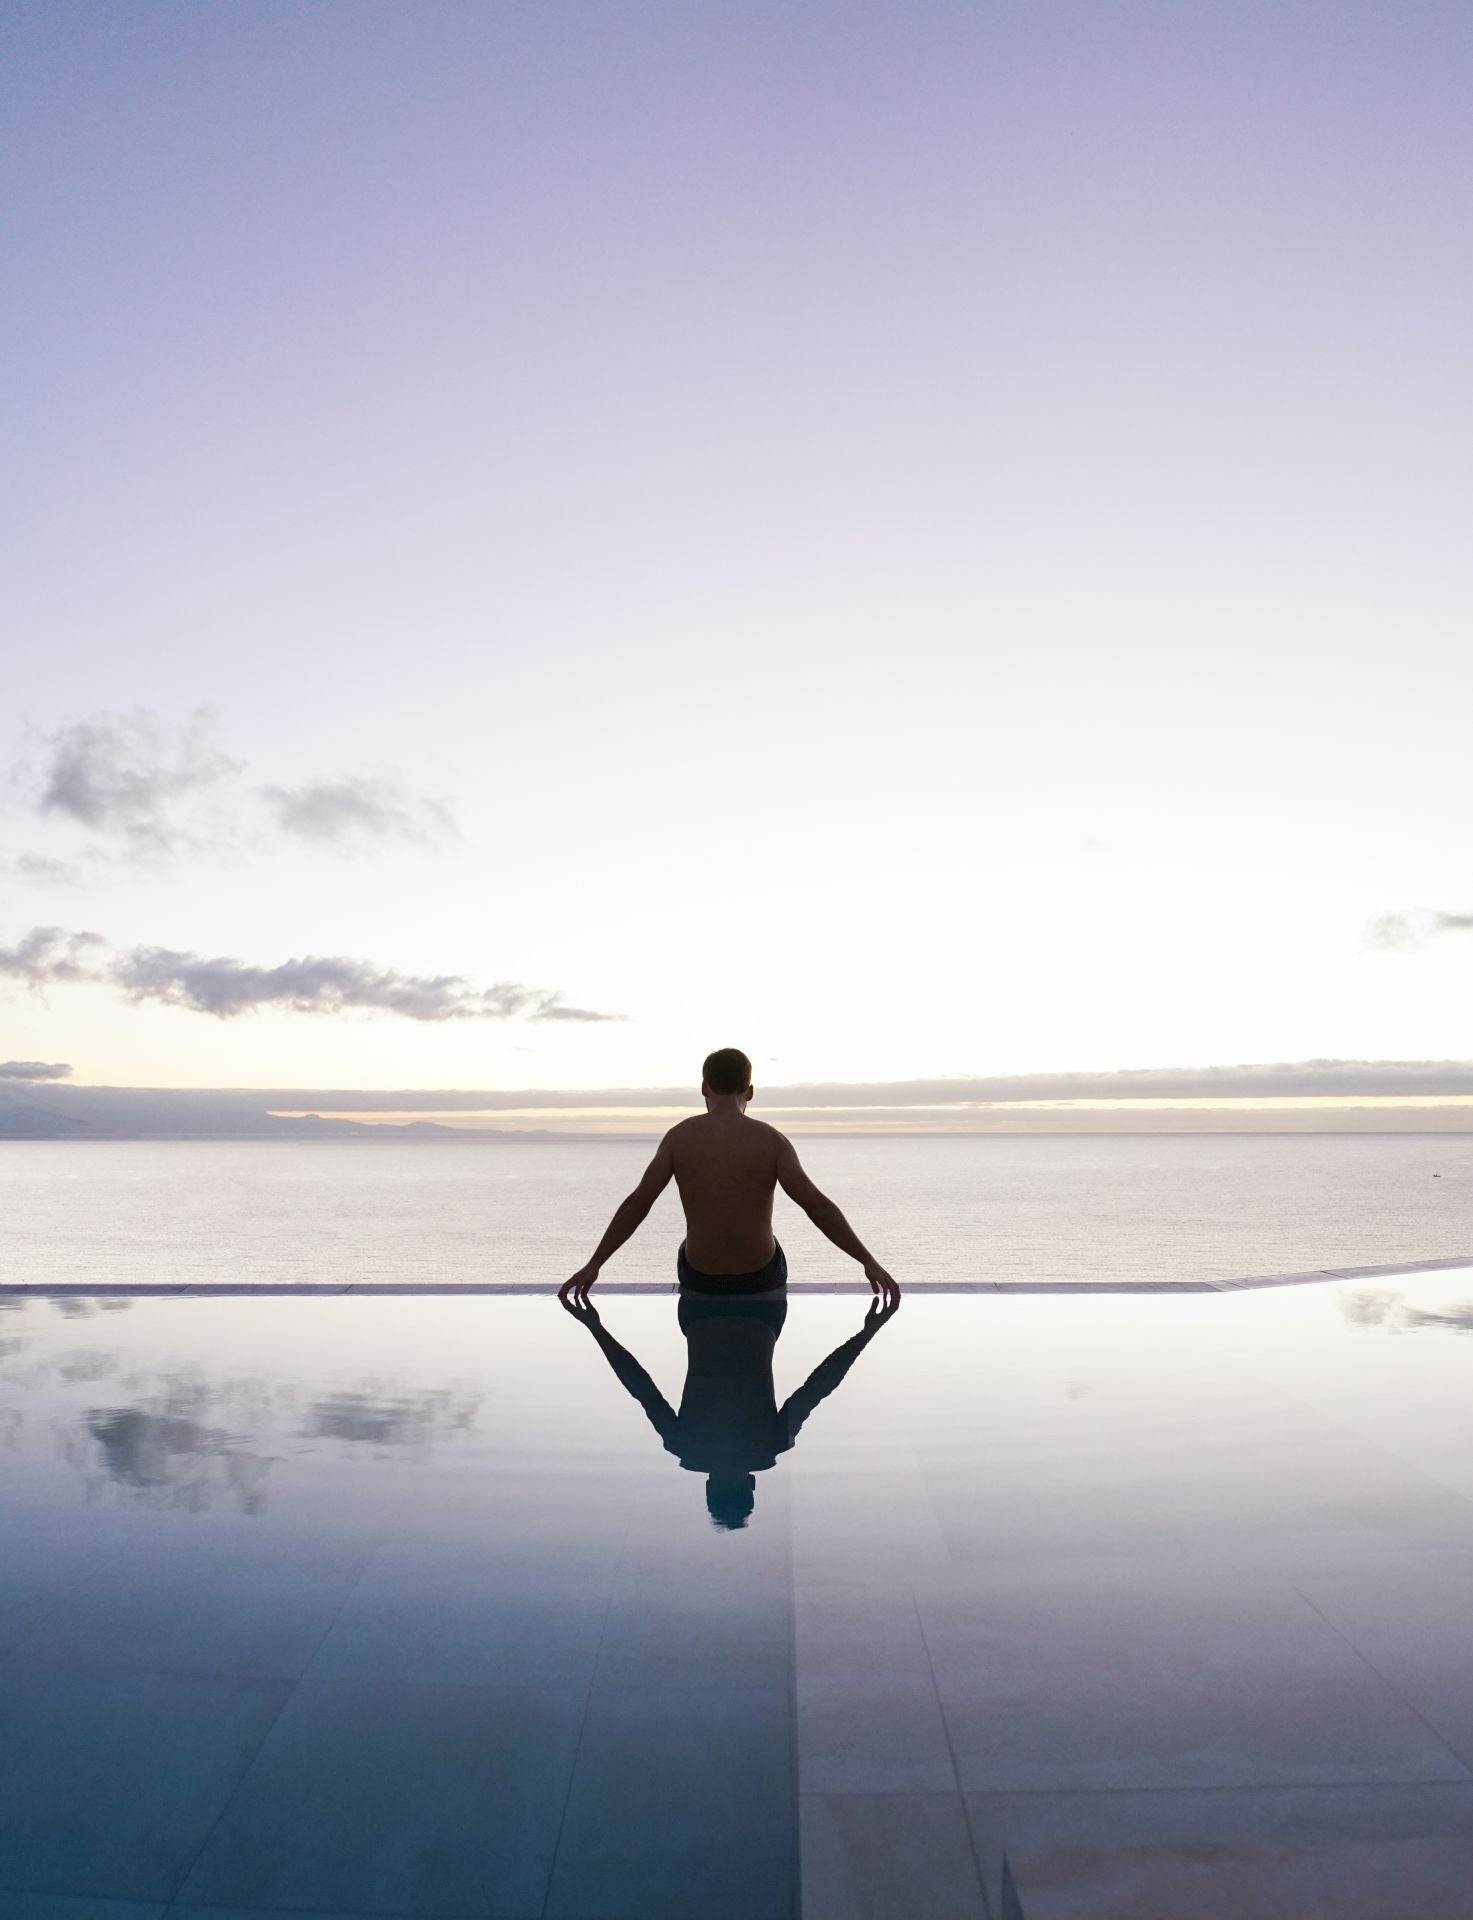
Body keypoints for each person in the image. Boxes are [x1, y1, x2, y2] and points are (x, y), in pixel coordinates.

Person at [559, 1046, 900, 1303]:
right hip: (760, 1277)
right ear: (749, 1091)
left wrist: (594, 1265)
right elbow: (818, 1208)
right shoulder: (772, 1141)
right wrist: (867, 1260)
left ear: (704, 1087)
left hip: (700, 1277)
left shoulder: (679, 1138)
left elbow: (637, 1205)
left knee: (689, 1245)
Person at [560, 1286, 900, 1527]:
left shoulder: (771, 1445)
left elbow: (819, 1387)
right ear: (708, 1485)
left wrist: (865, 1335)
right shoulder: (684, 1446)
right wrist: (597, 1329)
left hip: (763, 1301)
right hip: (699, 1301)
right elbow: (640, 1388)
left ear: (751, 1484)